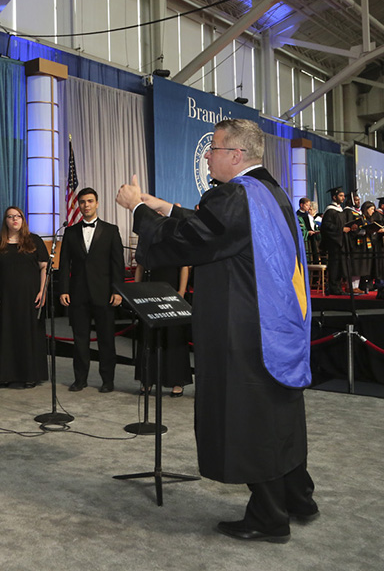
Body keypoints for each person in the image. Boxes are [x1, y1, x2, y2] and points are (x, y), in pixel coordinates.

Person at [116, 118, 316, 544]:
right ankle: (298, 497)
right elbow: (215, 228)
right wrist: (164, 208)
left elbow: (194, 240)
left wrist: (136, 210)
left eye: (214, 148)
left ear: (236, 156)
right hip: (274, 323)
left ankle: (268, 516)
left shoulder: (236, 196)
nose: (207, 155)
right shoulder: (268, 191)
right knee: (279, 412)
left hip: (242, 328)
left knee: (250, 417)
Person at [58, 187, 124, 393]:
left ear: (97, 203)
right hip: (77, 294)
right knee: (80, 340)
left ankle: (107, 381)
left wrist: (117, 291)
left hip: (104, 294)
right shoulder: (70, 232)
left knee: (106, 340)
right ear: (78, 205)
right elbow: (65, 264)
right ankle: (80, 379)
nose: (86, 205)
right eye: (83, 202)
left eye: (90, 201)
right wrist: (63, 290)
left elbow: (117, 265)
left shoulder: (111, 230)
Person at [0, 206, 49, 388]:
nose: (14, 220)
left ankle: (30, 375)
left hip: (29, 297)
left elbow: (45, 267)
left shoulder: (34, 240)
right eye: (10, 217)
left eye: (17, 216)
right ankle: (5, 375)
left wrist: (42, 291)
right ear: (5, 221)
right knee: (6, 335)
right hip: (4, 298)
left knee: (28, 335)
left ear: (23, 219)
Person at [132, 262, 191, 397]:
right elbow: (140, 266)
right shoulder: (147, 240)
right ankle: (147, 380)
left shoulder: (179, 240)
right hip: (149, 291)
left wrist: (181, 292)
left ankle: (177, 381)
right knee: (149, 336)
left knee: (174, 336)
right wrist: (136, 290)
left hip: (172, 290)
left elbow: (184, 266)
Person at [319, 187, 357, 296]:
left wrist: (351, 227)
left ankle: (339, 286)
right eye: (340, 196)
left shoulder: (341, 210)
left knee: (341, 265)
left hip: (341, 242)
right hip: (334, 244)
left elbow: (343, 225)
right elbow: (326, 227)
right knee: (335, 266)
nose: (343, 198)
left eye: (343, 196)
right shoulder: (330, 211)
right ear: (334, 197)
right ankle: (333, 287)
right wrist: (341, 230)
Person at [296, 197, 320, 263]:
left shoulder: (309, 215)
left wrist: (315, 230)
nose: (309, 207)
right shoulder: (297, 216)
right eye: (307, 205)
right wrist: (307, 232)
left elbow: (313, 225)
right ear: (301, 205)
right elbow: (298, 229)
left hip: (312, 238)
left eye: (309, 205)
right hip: (304, 240)